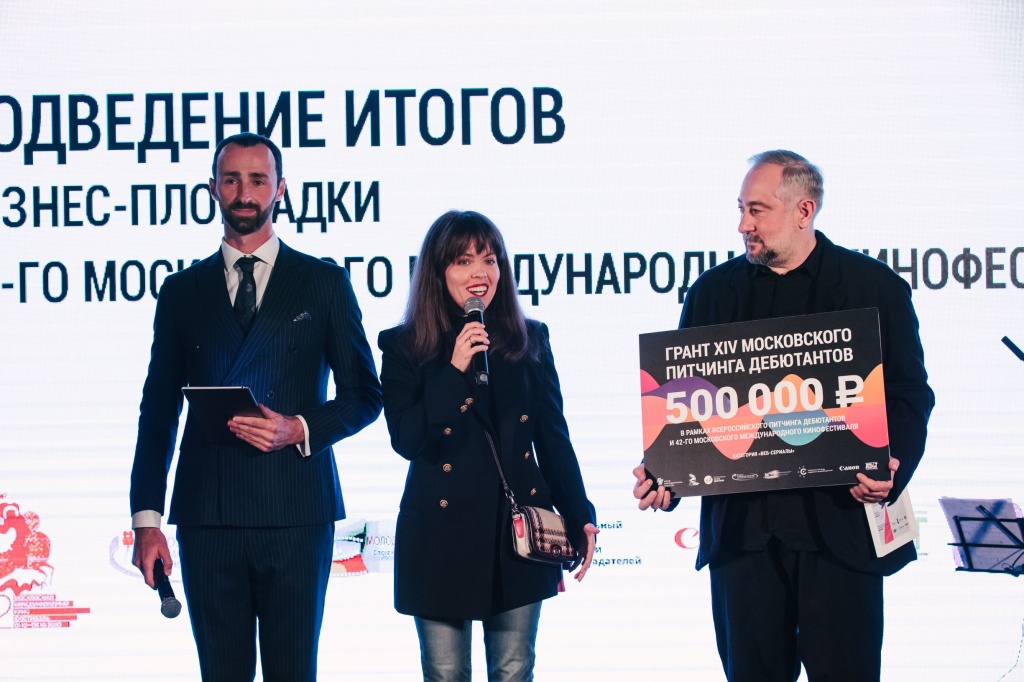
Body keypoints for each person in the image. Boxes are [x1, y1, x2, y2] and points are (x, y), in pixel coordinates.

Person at [633, 151, 934, 682]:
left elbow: (910, 395)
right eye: (741, 210)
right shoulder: (711, 293)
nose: (743, 225)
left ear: (803, 210)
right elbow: (684, 405)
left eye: (757, 210)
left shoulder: (874, 287)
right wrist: (666, 475)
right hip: (743, 540)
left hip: (840, 532)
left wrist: (892, 466)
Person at [129, 132, 382, 681]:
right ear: (213, 188)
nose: (245, 193)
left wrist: (300, 427)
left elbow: (366, 395)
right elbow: (158, 412)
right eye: (232, 179)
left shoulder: (323, 283)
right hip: (208, 515)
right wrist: (147, 521)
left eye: (258, 180)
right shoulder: (181, 291)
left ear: (280, 189)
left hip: (296, 513)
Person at [378, 210, 599, 682]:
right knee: (445, 674)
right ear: (438, 271)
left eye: (490, 259)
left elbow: (553, 439)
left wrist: (580, 513)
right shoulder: (403, 345)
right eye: (464, 261)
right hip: (439, 537)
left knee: (514, 670)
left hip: (516, 536)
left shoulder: (529, 339)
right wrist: (454, 370)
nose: (480, 272)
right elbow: (407, 439)